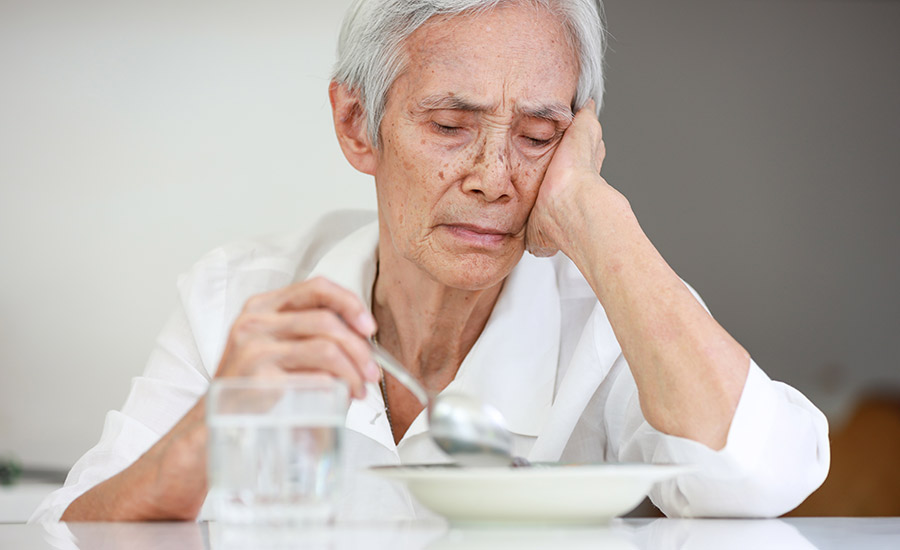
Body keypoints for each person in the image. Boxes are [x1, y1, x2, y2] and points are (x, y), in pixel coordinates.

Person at [32, 0, 829, 523]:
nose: (494, 175)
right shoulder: (238, 298)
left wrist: (596, 214)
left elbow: (763, 476)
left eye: (539, 136)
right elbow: (63, 539)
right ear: (357, 124)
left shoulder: (614, 312)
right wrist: (208, 433)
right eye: (451, 125)